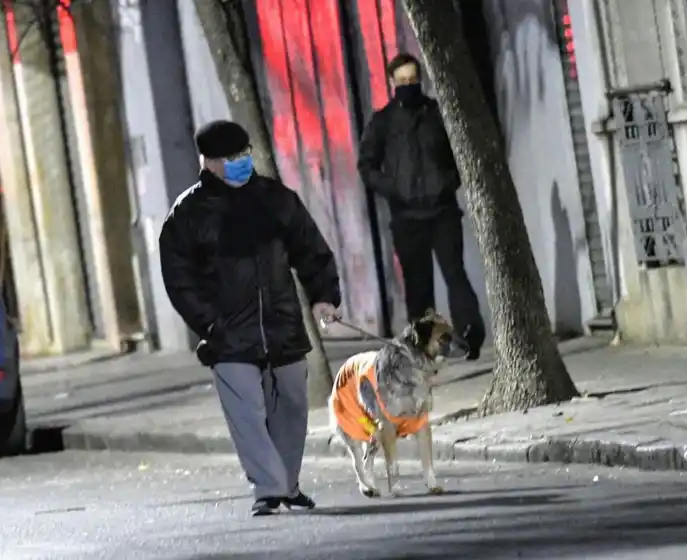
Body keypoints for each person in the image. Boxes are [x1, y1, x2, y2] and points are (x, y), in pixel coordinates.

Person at [159, 120, 342, 517]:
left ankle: (286, 484)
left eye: (245, 154)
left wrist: (324, 296)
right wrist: (209, 323)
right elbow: (179, 278)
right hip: (228, 336)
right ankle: (268, 487)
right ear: (209, 162)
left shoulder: (276, 199)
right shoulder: (188, 214)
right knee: (247, 415)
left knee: (292, 407)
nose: (242, 162)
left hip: (282, 325)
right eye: (232, 158)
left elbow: (310, 248)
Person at [358, 52, 485, 359]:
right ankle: (425, 347)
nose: (407, 85)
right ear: (391, 82)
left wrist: (448, 182)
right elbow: (367, 166)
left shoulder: (437, 115)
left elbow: (460, 154)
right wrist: (393, 190)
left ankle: (470, 335)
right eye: (401, 81)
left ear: (421, 79)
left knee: (455, 275)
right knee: (418, 285)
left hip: (442, 211)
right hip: (406, 217)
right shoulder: (383, 122)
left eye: (412, 80)